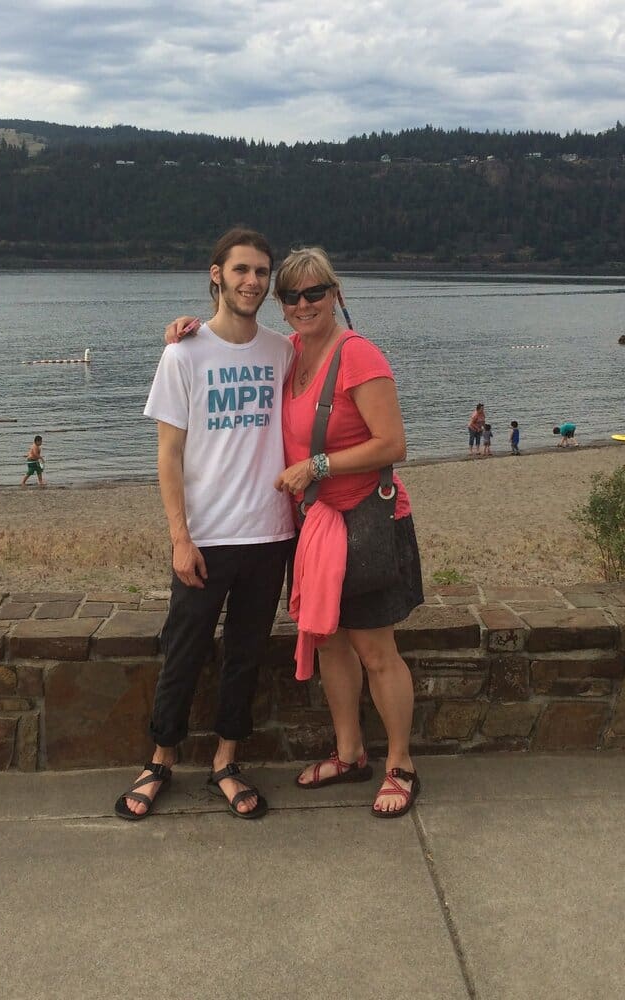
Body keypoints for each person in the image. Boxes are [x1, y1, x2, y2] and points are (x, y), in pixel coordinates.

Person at [114, 227, 296, 822]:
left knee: (246, 654)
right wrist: (179, 537)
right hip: (206, 537)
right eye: (241, 270)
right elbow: (168, 454)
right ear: (216, 273)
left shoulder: (283, 350)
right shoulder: (183, 353)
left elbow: (335, 360)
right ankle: (160, 758)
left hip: (270, 534)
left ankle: (226, 760)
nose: (253, 282)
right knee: (185, 650)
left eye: (262, 273)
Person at [271, 247, 425, 819]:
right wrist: (182, 334)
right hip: (316, 529)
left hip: (367, 521)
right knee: (330, 640)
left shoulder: (358, 355)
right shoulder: (288, 354)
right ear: (282, 305)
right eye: (292, 295)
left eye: (315, 292)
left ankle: (401, 764)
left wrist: (318, 467)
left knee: (375, 649)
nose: (304, 303)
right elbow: (229, 347)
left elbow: (393, 444)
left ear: (336, 293)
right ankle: (350, 752)